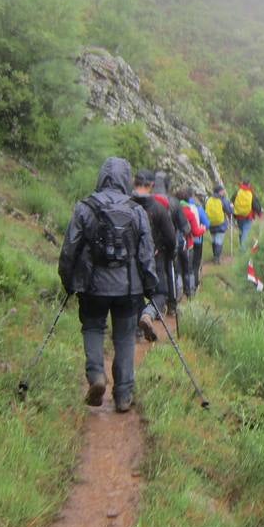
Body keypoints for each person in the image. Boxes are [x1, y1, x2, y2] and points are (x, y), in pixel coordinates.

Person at [58, 157, 157, 413]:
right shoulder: (137, 211)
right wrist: (150, 286)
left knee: (92, 328)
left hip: (92, 286)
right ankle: (123, 395)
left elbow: (70, 248)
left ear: (101, 177)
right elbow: (146, 253)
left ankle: (96, 376)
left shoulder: (84, 208)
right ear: (127, 179)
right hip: (128, 288)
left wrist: (68, 281)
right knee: (124, 337)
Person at [131, 169, 177, 343]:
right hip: (154, 258)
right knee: (160, 293)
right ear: (150, 185)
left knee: (136, 292)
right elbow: (170, 237)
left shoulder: (125, 204)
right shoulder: (158, 208)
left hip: (129, 260)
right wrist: (170, 254)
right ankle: (148, 314)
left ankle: (136, 331)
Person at [153, 172, 190, 305]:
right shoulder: (173, 202)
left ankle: (156, 305)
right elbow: (185, 227)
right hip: (169, 242)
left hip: (152, 245)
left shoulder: (147, 201)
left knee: (156, 272)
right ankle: (172, 304)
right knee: (170, 271)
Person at [175, 188, 205, 296]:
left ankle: (177, 292)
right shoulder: (190, 213)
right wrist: (203, 229)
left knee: (177, 270)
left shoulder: (172, 211)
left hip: (175, 245)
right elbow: (196, 232)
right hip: (188, 245)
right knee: (189, 270)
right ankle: (190, 292)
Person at [205, 182, 233, 263]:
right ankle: (217, 258)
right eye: (222, 190)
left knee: (214, 240)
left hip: (211, 223)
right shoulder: (223, 200)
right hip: (220, 223)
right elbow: (229, 211)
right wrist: (231, 208)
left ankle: (215, 256)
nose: (223, 192)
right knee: (219, 240)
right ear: (220, 191)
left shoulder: (209, 199)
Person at [231, 179, 262, 250]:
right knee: (246, 231)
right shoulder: (251, 193)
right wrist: (259, 212)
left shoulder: (237, 192)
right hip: (248, 216)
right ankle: (243, 248)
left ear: (242, 184)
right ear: (249, 184)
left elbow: (232, 201)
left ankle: (242, 245)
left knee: (241, 231)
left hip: (238, 215)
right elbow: (255, 204)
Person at [187, 189, 209, 287]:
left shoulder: (178, 206)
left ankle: (184, 285)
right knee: (195, 263)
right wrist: (203, 228)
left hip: (183, 241)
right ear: (193, 196)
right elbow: (207, 224)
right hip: (197, 239)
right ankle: (194, 284)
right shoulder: (198, 208)